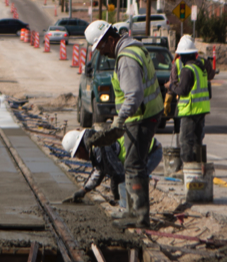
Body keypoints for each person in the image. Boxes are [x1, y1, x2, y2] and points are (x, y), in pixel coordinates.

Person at [84, 19, 164, 228]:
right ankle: (132, 211)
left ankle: (139, 216)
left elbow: (134, 95)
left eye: (101, 47)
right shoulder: (133, 46)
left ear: (110, 40)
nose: (102, 53)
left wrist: (118, 122)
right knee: (131, 164)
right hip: (144, 113)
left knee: (134, 165)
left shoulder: (126, 58)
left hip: (141, 117)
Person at [61, 128, 163, 208]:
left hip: (151, 152)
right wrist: (83, 190)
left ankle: (133, 213)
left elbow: (118, 174)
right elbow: (99, 171)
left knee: (136, 181)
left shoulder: (100, 148)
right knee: (130, 180)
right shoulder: (96, 146)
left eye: (78, 155)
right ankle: (132, 210)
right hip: (143, 152)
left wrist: (118, 198)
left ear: (81, 148)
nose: (80, 158)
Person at [167, 34, 210, 166]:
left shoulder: (187, 69)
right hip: (201, 110)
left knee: (185, 141)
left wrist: (171, 87)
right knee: (197, 142)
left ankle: (189, 170)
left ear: (183, 56)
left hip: (189, 111)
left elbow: (183, 90)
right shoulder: (200, 67)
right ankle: (199, 168)